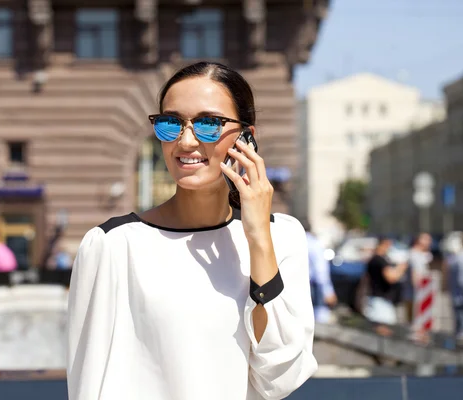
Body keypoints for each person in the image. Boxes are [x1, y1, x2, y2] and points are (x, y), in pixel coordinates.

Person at [66, 62, 317, 400]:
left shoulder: (282, 236)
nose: (185, 141)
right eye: (171, 123)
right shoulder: (113, 245)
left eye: (208, 123)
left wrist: (258, 238)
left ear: (246, 137)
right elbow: (89, 381)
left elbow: (280, 376)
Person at [363, 237, 409, 325]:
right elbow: (391, 277)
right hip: (380, 302)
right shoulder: (379, 260)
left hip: (380, 301)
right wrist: (401, 267)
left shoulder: (375, 259)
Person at [303, 219, 337, 323]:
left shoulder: (291, 241)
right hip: (313, 286)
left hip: (295, 285)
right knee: (319, 319)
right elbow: (320, 270)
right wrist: (328, 292)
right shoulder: (314, 243)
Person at [403, 233, 433, 324]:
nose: (429, 242)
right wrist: (420, 292)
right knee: (414, 322)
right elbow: (415, 275)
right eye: (426, 240)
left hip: (420, 294)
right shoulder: (414, 254)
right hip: (414, 294)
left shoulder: (422, 255)